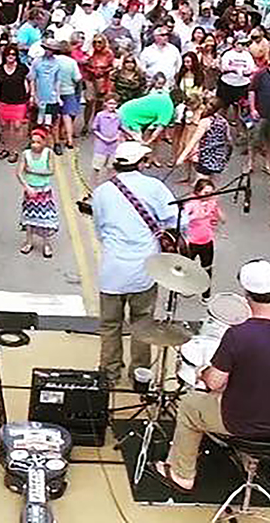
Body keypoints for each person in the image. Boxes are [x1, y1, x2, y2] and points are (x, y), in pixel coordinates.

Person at [154, 260, 270, 493]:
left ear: (246, 294)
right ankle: (247, 458)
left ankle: (182, 475)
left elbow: (215, 383)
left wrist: (202, 371)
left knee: (190, 405)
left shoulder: (239, 335)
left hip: (239, 422)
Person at [92, 141, 177, 386]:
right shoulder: (154, 187)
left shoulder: (101, 191)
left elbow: (99, 230)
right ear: (140, 163)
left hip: (112, 270)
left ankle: (109, 373)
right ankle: (139, 373)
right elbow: (174, 221)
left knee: (109, 325)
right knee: (142, 322)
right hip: (144, 270)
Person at [16, 128, 58, 258]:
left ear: (44, 142)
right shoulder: (25, 154)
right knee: (29, 218)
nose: (35, 145)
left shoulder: (48, 153)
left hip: (44, 191)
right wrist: (27, 187)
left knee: (45, 219)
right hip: (31, 190)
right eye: (33, 142)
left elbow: (51, 170)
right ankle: (29, 242)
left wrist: (32, 171)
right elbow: (19, 172)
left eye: (38, 142)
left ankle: (46, 244)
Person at [182, 177, 225, 299]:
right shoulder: (190, 203)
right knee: (187, 268)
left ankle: (206, 293)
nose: (208, 195)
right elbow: (182, 221)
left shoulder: (212, 203)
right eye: (206, 193)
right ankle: (187, 288)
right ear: (198, 191)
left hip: (207, 241)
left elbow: (223, 220)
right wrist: (196, 216)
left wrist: (216, 207)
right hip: (191, 242)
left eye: (211, 193)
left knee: (207, 268)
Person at [0, 44, 29, 163]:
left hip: (19, 101)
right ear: (4, 56)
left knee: (17, 126)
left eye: (13, 54)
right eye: (8, 54)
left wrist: (31, 95)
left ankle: (15, 151)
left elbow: (30, 80)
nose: (11, 56)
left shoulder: (22, 68)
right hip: (4, 101)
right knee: (4, 126)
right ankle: (6, 148)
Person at [91, 94, 121, 186]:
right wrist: (103, 138)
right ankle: (94, 185)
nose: (112, 106)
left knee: (111, 167)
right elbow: (94, 129)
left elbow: (121, 127)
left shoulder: (119, 115)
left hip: (113, 145)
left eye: (114, 104)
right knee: (97, 167)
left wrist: (117, 136)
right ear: (105, 104)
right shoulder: (100, 115)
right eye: (110, 103)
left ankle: (110, 184)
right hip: (101, 145)